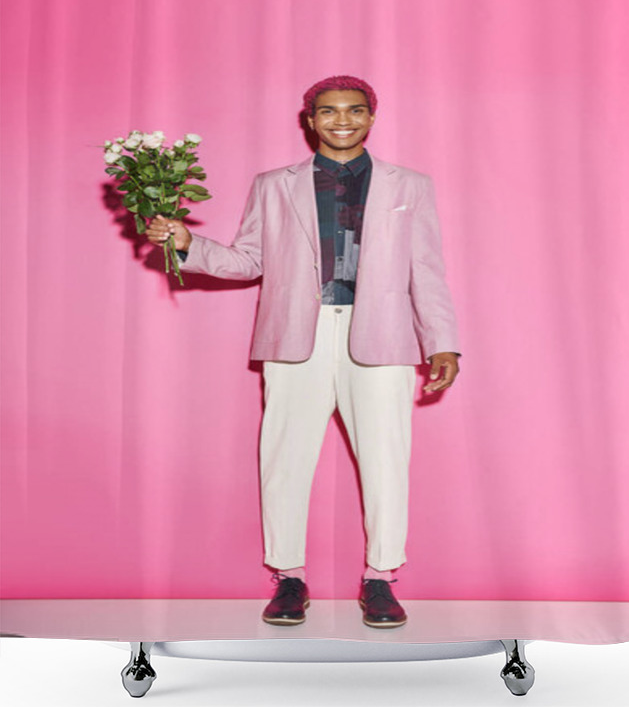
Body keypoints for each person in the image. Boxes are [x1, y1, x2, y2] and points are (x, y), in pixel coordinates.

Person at [146, 75, 461, 629]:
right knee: (284, 461)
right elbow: (247, 260)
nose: (343, 119)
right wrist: (186, 243)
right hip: (296, 336)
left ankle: (380, 579)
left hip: (382, 336)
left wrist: (442, 343)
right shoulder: (274, 185)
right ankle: (289, 578)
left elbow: (427, 271)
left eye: (355, 110)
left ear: (371, 116)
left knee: (388, 461)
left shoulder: (411, 185)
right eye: (329, 111)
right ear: (310, 119)